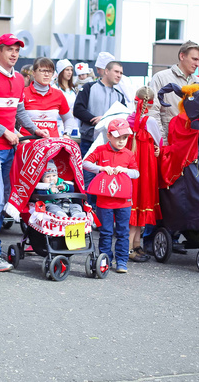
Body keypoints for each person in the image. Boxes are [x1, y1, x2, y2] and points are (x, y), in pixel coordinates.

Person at [0, 33, 48, 272]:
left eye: (17, 50)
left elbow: (19, 110)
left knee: (1, 201)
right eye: (9, 50)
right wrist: (5, 132)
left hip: (9, 150)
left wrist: (36, 129)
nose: (14, 54)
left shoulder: (18, 80)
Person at [84, 119, 141, 272]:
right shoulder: (101, 150)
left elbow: (136, 173)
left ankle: (122, 261)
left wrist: (124, 170)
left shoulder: (129, 154)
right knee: (106, 232)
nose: (122, 141)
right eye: (118, 137)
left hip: (124, 201)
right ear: (109, 136)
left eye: (125, 138)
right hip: (104, 201)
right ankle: (105, 259)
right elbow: (85, 163)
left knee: (123, 232)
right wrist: (102, 168)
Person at [73, 60, 126, 204]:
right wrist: (94, 119)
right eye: (116, 71)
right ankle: (86, 212)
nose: (119, 75)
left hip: (110, 146)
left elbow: (124, 118)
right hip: (90, 141)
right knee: (88, 178)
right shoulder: (89, 88)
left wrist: (106, 119)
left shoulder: (119, 95)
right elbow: (77, 109)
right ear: (106, 71)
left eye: (121, 73)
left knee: (106, 180)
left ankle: (101, 215)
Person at [148, 40, 199, 143]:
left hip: (192, 144)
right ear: (182, 56)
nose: (197, 64)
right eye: (194, 59)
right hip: (170, 141)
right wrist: (162, 141)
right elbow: (153, 111)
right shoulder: (160, 77)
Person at [127, 86, 161, 257]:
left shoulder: (129, 119)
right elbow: (159, 143)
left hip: (131, 166)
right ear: (152, 104)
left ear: (135, 100)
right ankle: (130, 248)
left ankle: (136, 243)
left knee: (134, 203)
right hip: (146, 168)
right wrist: (158, 150)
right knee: (142, 201)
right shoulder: (151, 122)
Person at [20, 57, 71, 137]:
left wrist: (67, 134)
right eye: (43, 71)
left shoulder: (58, 94)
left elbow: (68, 118)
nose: (47, 74)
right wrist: (22, 140)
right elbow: (11, 121)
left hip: (52, 145)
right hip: (28, 144)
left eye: (50, 71)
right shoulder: (23, 93)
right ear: (33, 73)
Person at [54, 59, 79, 137]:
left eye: (71, 70)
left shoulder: (74, 89)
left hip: (74, 125)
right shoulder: (55, 88)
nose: (70, 72)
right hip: (60, 125)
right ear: (61, 72)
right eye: (67, 70)